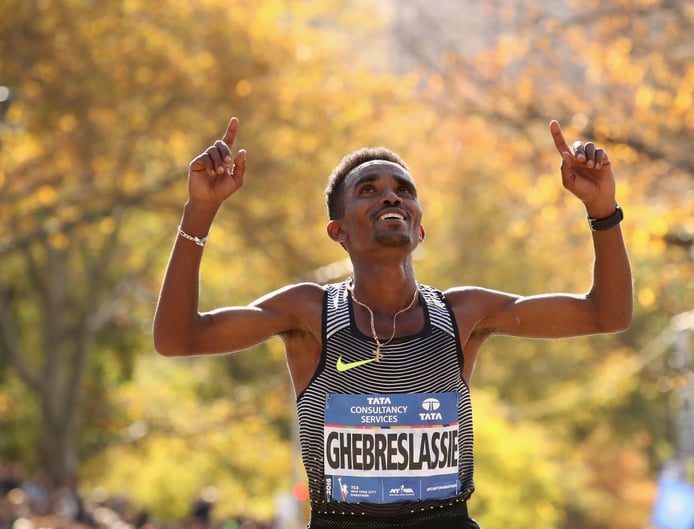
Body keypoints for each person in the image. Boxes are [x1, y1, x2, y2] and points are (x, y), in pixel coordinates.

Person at [153, 117, 632, 529]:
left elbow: (607, 314)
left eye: (404, 190)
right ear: (337, 231)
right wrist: (201, 209)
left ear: (420, 228)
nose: (390, 198)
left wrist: (602, 210)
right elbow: (177, 339)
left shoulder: (463, 315)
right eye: (369, 191)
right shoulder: (307, 315)